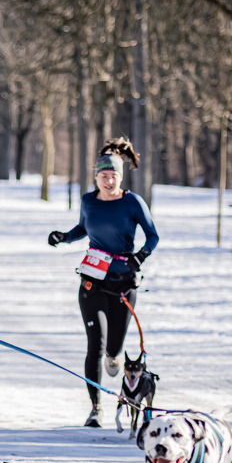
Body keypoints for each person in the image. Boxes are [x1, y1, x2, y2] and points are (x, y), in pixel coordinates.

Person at [47, 138, 159, 428]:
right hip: (92, 282)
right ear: (95, 177)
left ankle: (115, 355)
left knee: (112, 349)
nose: (108, 181)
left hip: (123, 284)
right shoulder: (88, 201)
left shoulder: (132, 202)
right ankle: (95, 408)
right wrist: (62, 237)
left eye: (113, 176)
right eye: (103, 176)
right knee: (94, 346)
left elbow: (153, 236)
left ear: (121, 178)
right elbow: (82, 229)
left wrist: (140, 257)